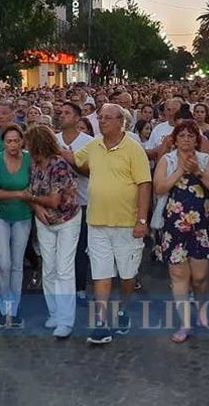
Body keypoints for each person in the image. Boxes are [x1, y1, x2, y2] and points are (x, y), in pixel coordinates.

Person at [65, 103, 152, 345]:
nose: (101, 121)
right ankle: (101, 322)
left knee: (126, 275)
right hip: (97, 222)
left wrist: (142, 220)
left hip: (126, 223)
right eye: (100, 117)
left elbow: (145, 184)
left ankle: (123, 309)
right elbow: (76, 159)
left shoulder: (134, 149)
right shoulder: (93, 146)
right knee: (101, 273)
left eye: (107, 118)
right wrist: (53, 147)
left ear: (120, 122)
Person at [153, 120, 209, 343]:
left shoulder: (206, 160)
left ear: (197, 139)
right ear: (175, 139)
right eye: (182, 135)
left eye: (191, 136)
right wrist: (180, 172)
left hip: (201, 224)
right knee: (178, 275)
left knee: (200, 276)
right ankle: (184, 323)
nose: (186, 139)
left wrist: (198, 172)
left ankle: (201, 304)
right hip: (174, 225)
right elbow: (159, 187)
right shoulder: (168, 160)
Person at [27, 125, 81, 339]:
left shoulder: (58, 165)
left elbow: (54, 200)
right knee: (48, 267)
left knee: (64, 269)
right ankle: (55, 312)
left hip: (67, 219)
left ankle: (66, 320)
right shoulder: (35, 165)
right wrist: (36, 206)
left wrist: (30, 199)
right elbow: (33, 192)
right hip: (45, 220)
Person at [0, 124, 34, 327]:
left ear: (22, 141)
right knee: (3, 263)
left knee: (17, 264)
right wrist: (19, 194)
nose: (13, 145)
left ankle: (13, 309)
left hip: (23, 215)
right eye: (9, 141)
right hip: (0, 215)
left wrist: (27, 197)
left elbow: (33, 187)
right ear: (3, 143)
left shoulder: (28, 160)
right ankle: (2, 305)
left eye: (16, 140)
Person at [55, 102, 94, 302]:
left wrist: (70, 158)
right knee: (60, 247)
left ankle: (79, 287)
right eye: (61, 112)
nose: (62, 115)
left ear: (78, 119)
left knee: (80, 247)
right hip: (58, 204)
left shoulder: (89, 142)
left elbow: (90, 172)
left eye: (67, 113)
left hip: (83, 202)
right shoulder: (54, 139)